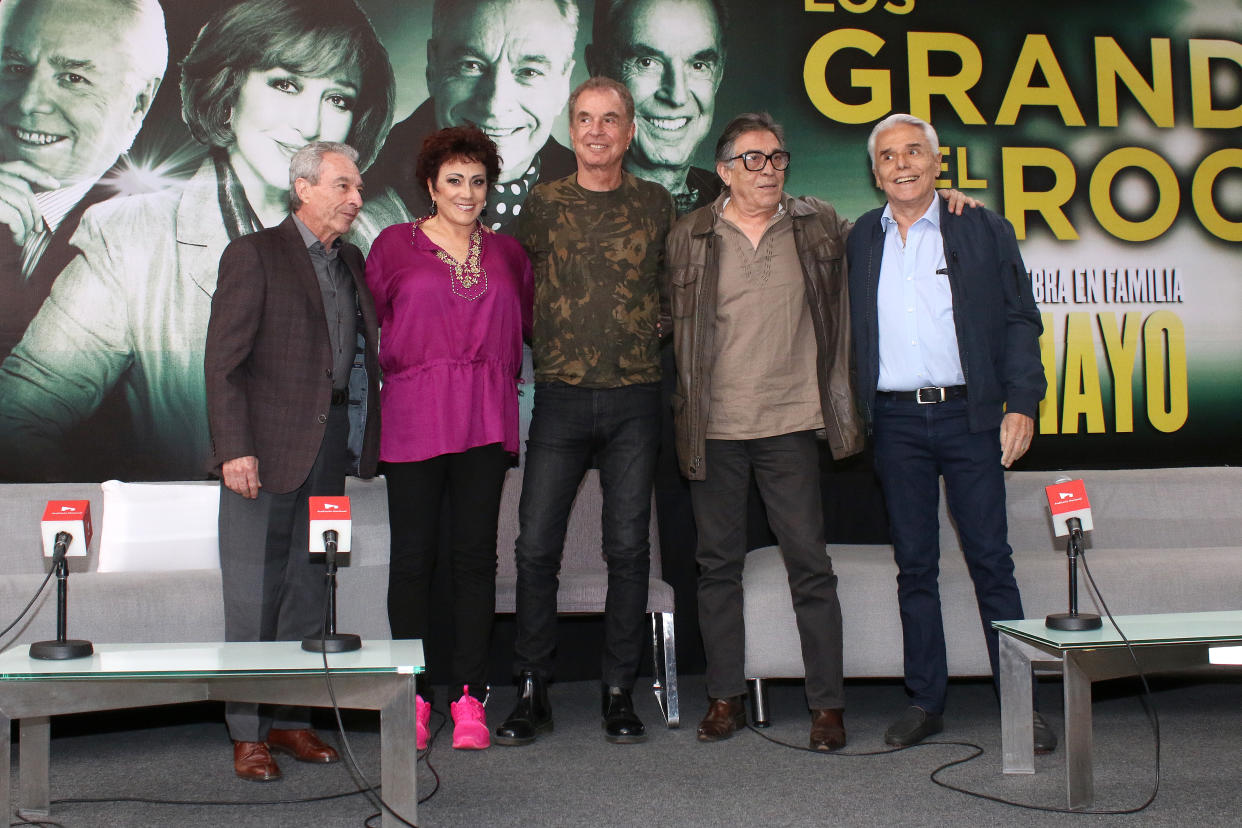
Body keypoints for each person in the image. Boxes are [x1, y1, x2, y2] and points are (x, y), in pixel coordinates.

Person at [0, 0, 393, 481]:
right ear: (228, 93)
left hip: (350, 533)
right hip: (205, 540)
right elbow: (16, 420)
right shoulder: (132, 237)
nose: (310, 125)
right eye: (285, 84)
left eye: (338, 99)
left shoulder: (386, 241)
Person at [846, 113, 1055, 752]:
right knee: (915, 565)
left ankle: (1021, 706)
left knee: (993, 561)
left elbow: (1021, 319)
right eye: (888, 155)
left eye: (914, 152)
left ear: (938, 163)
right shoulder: (859, 237)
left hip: (971, 416)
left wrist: (1023, 400)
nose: (902, 163)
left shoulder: (982, 226)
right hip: (897, 421)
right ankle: (925, 701)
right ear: (875, 170)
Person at [665, 112, 861, 750]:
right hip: (715, 426)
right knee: (717, 567)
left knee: (810, 566)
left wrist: (942, 198)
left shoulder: (818, 223)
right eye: (754, 159)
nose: (770, 169)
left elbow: (889, 230)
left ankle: (826, 707)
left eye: (778, 157)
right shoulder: (689, 234)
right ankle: (724, 697)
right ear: (724, 170)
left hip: (791, 423)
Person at [494, 77, 674, 747]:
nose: (596, 130)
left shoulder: (657, 205)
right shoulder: (540, 206)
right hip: (561, 400)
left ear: (630, 131)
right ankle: (531, 689)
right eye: (583, 119)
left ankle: (619, 691)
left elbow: (675, 294)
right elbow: (511, 292)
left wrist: (633, 334)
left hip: (635, 400)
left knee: (628, 551)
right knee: (534, 547)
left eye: (610, 119)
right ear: (570, 130)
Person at [205, 140, 380, 782]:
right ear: (302, 188)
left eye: (357, 188)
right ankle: (247, 733)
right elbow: (223, 362)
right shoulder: (254, 255)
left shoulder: (352, 261)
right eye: (342, 186)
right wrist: (234, 448)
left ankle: (291, 720)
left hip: (329, 448)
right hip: (262, 450)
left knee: (310, 588)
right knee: (252, 596)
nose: (355, 200)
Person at [365, 125, 533, 751]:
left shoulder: (510, 255)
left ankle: (468, 698)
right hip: (413, 416)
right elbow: (378, 325)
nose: (467, 192)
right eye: (454, 180)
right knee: (412, 561)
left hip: (485, 419)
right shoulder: (391, 246)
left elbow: (526, 330)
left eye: (478, 181)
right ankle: (409, 697)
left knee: (473, 559)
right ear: (431, 185)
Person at [0, 0, 166, 360]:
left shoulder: (164, 246)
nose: (30, 102)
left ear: (139, 102)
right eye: (14, 67)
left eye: (73, 78)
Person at [362, 0, 578, 235]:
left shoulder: (602, 211)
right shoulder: (361, 225)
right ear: (433, 67)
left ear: (562, 86)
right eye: (471, 65)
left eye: (529, 72)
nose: (495, 105)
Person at [586, 0, 726, 216]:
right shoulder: (552, 215)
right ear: (599, 72)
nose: (677, 96)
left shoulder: (738, 206)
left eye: (698, 66)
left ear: (718, 76)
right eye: (647, 62)